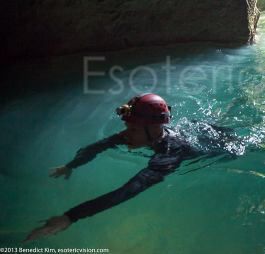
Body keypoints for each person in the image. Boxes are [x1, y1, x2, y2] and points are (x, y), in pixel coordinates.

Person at [24, 94, 218, 242]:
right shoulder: (144, 134)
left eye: (132, 129)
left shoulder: (170, 155)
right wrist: (70, 166)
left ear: (154, 130)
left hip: (219, 150)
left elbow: (127, 191)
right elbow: (99, 146)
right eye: (128, 126)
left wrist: (70, 217)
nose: (126, 134)